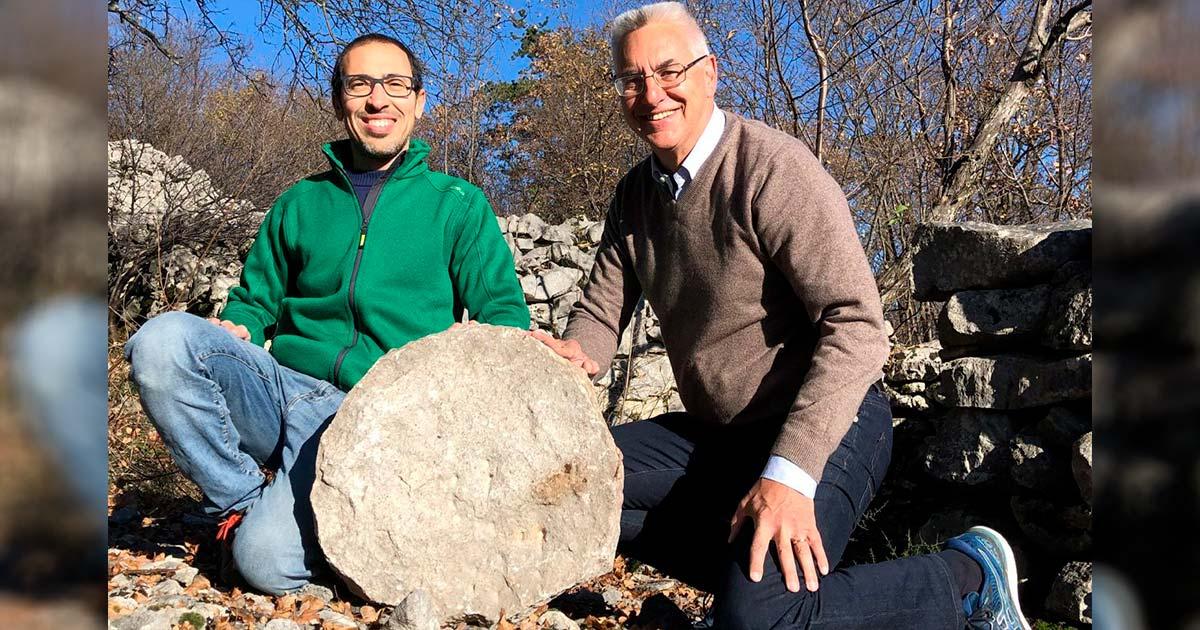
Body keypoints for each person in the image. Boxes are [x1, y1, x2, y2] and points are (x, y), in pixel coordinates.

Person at [533, 3, 1031, 628]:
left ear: (710, 72)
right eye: (631, 79)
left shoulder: (771, 167)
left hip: (830, 420)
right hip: (721, 438)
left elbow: (856, 326)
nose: (650, 94)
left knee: (760, 620)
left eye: (668, 71)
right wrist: (576, 356)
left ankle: (966, 577)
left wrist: (790, 475)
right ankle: (764, 583)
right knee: (578, 481)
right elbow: (600, 313)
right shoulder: (635, 195)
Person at [124, 33, 529, 596]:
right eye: (359, 85)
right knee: (161, 341)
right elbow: (254, 302)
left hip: (377, 414)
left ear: (419, 101)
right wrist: (239, 325)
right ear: (340, 101)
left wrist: (462, 371)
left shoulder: (457, 205)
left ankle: (289, 526)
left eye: (393, 85)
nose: (376, 100)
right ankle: (239, 503)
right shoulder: (298, 202)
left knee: (266, 565)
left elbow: (505, 317)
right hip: (281, 390)